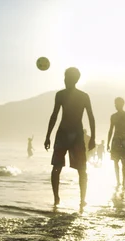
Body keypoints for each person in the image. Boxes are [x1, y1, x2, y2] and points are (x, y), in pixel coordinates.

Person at [44, 67, 95, 207]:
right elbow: (54, 115)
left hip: (77, 136)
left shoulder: (83, 96)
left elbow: (91, 117)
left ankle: (82, 199)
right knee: (56, 167)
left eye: (68, 78)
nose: (65, 80)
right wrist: (48, 136)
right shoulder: (60, 95)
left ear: (75, 80)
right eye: (65, 77)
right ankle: (56, 198)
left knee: (82, 169)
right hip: (62, 133)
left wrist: (93, 138)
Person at [107, 97, 125, 186]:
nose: (115, 105)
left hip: (123, 141)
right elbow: (110, 130)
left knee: (123, 162)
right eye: (115, 104)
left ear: (121, 104)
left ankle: (122, 181)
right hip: (116, 140)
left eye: (116, 104)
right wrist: (107, 143)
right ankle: (118, 181)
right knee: (116, 162)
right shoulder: (113, 116)